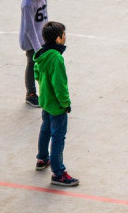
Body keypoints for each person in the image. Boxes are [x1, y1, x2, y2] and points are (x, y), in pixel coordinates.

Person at [34, 21, 79, 186]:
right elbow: (60, 84)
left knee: (45, 129)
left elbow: (37, 72)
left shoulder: (42, 54)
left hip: (45, 101)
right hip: (56, 105)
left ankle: (42, 159)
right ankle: (58, 172)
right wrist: (65, 102)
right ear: (58, 39)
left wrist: (43, 88)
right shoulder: (56, 58)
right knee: (58, 137)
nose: (65, 37)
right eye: (64, 35)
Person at [19, 0, 49, 107]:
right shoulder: (27, 3)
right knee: (32, 64)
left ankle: (46, 91)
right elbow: (29, 29)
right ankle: (30, 94)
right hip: (32, 42)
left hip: (43, 38)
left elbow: (45, 17)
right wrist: (38, 49)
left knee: (45, 66)